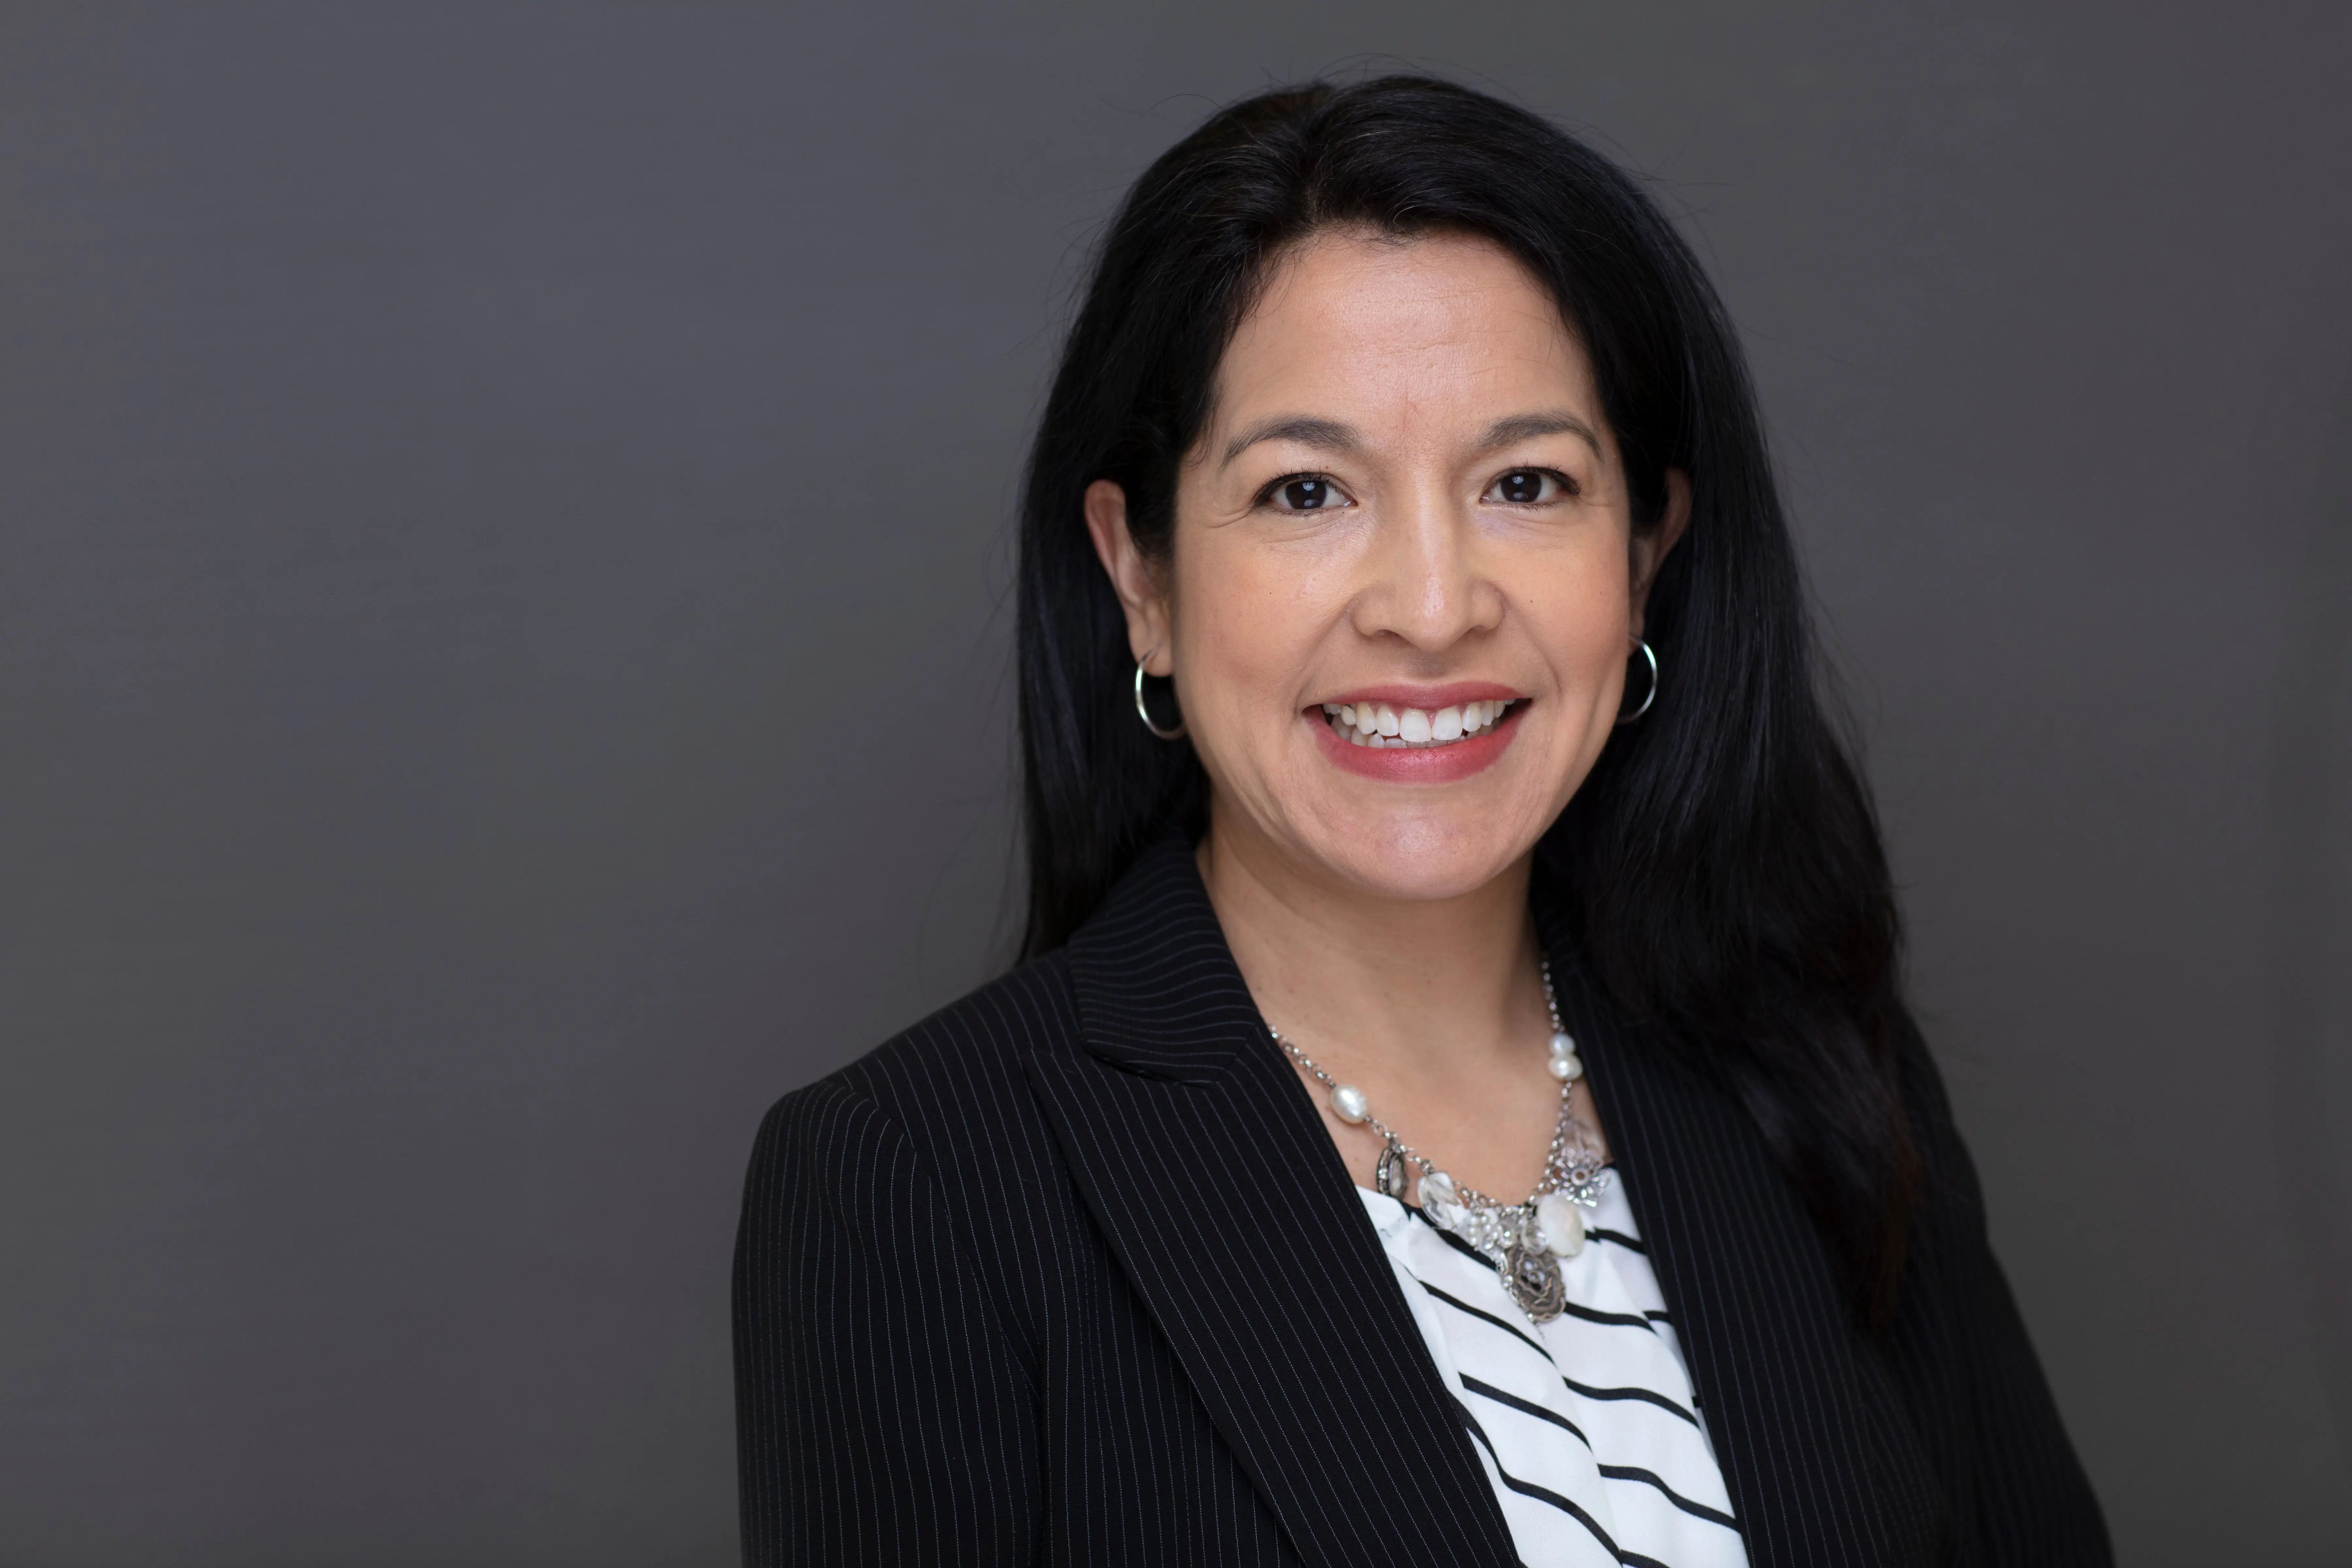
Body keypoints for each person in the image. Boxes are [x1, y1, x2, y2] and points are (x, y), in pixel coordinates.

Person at [732, 76, 2109, 1568]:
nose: (1435, 610)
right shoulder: (914, 1184)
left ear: (1646, 552)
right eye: (1308, 492)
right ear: (1141, 575)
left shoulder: (1816, 1072)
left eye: (1527, 483)